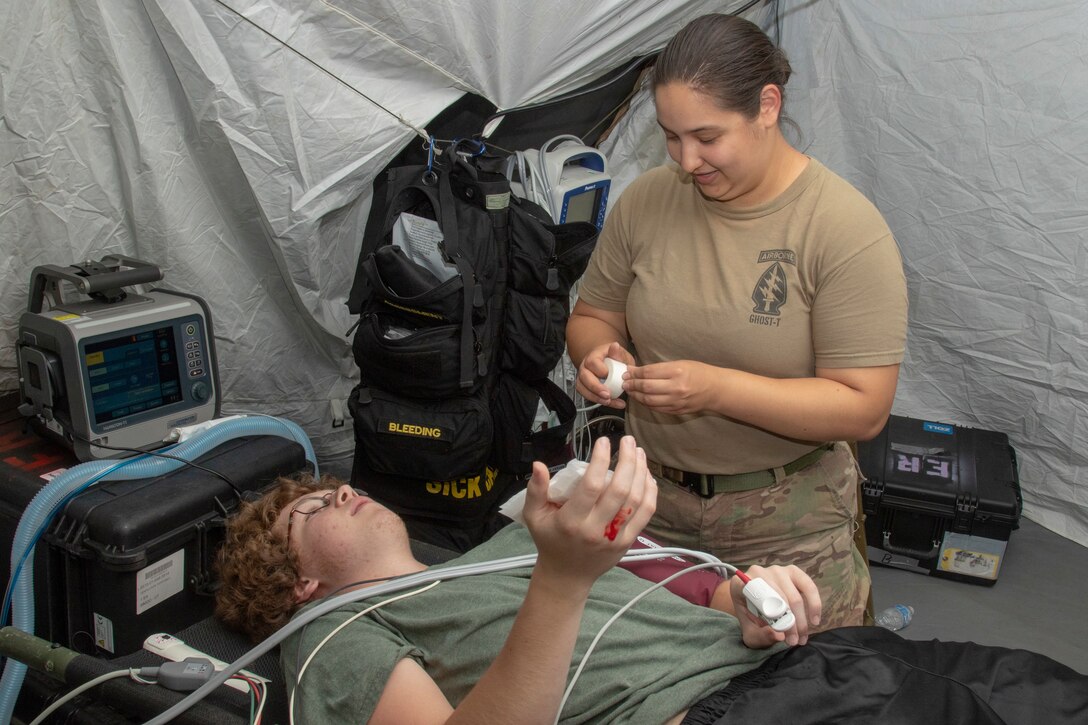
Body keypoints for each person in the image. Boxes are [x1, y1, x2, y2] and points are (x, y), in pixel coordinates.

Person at [215, 437, 1088, 725]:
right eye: (316, 508)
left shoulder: (512, 539)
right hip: (726, 713)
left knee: (1048, 693)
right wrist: (561, 577)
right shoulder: (333, 638)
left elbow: (699, 586)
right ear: (294, 582)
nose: (347, 488)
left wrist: (747, 597)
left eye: (336, 481)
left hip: (811, 661)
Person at [565, 13, 909, 629]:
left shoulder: (841, 229)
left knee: (801, 694)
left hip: (790, 525)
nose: (688, 159)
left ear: (767, 106)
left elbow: (863, 407)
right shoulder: (646, 201)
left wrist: (716, 389)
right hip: (651, 507)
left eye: (707, 136)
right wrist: (597, 355)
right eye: (671, 137)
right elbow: (592, 315)